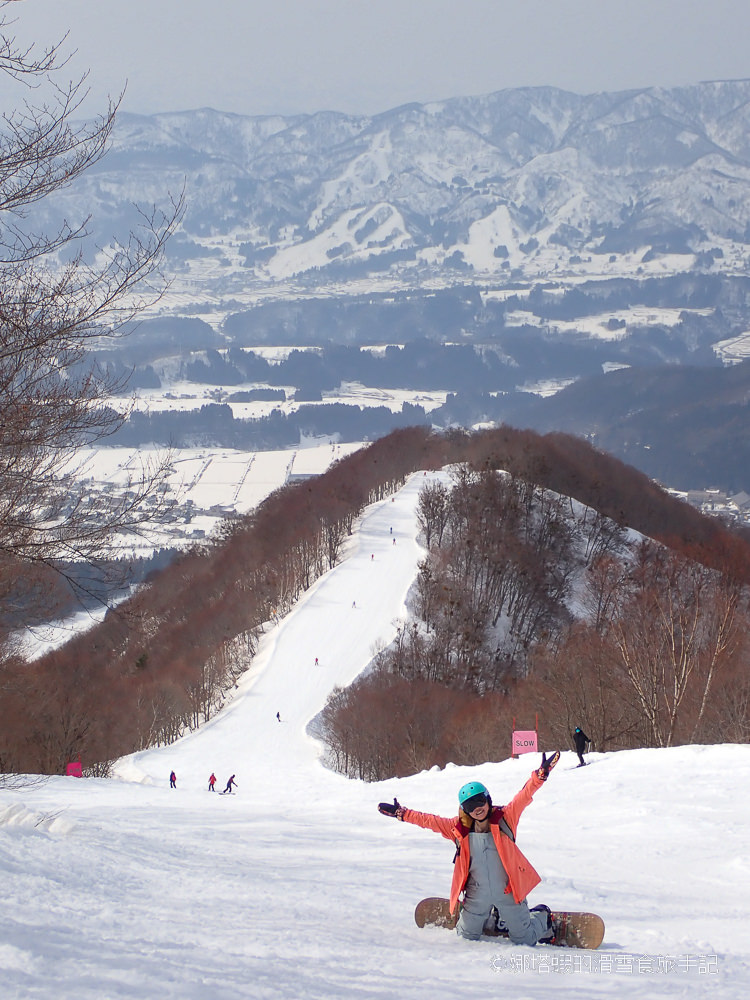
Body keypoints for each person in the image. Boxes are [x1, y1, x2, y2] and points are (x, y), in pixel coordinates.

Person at [379, 752, 561, 945]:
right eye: (470, 805)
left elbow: (523, 796)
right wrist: (403, 814)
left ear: (487, 799)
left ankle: (542, 916)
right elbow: (429, 821)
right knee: (465, 937)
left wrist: (539, 776)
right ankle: (489, 917)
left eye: (479, 801)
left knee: (525, 940)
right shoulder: (458, 829)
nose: (477, 808)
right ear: (464, 809)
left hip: (508, 890)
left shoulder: (506, 818)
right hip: (477, 893)